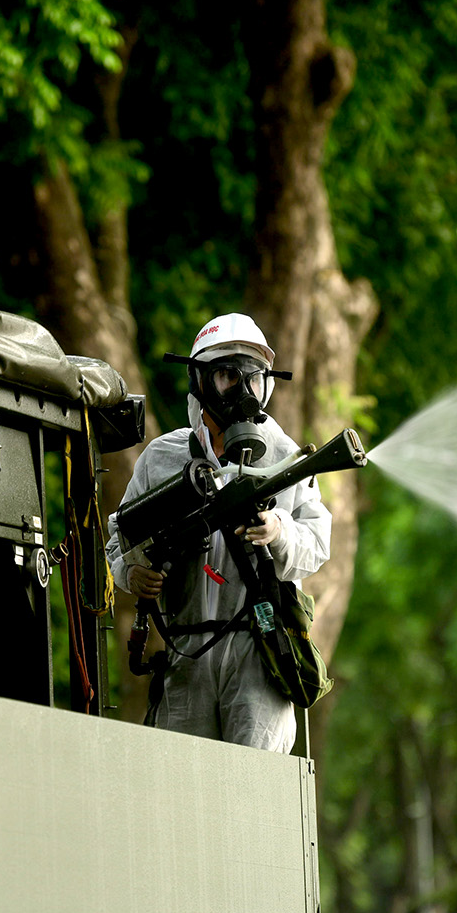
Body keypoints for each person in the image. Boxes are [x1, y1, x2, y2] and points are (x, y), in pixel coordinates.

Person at [105, 313, 331, 752]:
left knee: (256, 793)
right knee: (183, 794)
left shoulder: (289, 458)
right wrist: (130, 574)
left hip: (259, 652)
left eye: (254, 378)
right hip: (185, 652)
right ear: (200, 381)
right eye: (228, 375)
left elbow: (318, 544)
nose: (243, 391)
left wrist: (279, 531)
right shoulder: (162, 459)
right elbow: (119, 539)